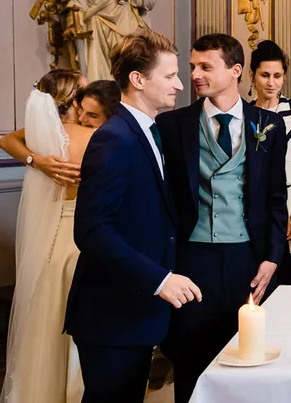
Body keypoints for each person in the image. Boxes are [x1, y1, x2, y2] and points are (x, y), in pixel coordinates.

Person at [64, 30, 201, 403]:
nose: (179, 83)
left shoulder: (147, 131)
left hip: (133, 313)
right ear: (139, 80)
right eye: (170, 75)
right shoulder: (115, 138)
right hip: (111, 315)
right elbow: (92, 232)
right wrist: (160, 280)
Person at [157, 34, 288, 403]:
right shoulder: (172, 125)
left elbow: (277, 197)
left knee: (248, 360)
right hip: (191, 258)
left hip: (247, 257)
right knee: (190, 358)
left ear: (235, 71)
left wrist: (272, 257)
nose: (195, 75)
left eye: (205, 67)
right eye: (192, 67)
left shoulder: (269, 125)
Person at [0, 70, 93, 403]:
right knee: (84, 317)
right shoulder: (94, 135)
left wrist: (35, 160)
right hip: (83, 236)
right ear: (75, 98)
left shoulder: (42, 135)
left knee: (47, 315)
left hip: (49, 235)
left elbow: (5, 140)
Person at [249, 40, 291, 286]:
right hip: (255, 216)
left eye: (277, 76)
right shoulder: (245, 114)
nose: (271, 82)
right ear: (252, 76)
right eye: (265, 75)